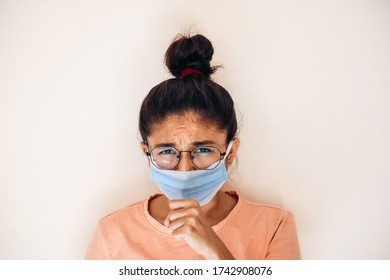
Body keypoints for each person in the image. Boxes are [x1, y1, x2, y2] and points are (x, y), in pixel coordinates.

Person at [85, 33, 301, 260]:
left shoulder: (274, 226)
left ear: (230, 152)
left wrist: (215, 250)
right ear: (147, 154)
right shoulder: (113, 234)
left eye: (203, 150)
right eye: (167, 151)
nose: (185, 170)